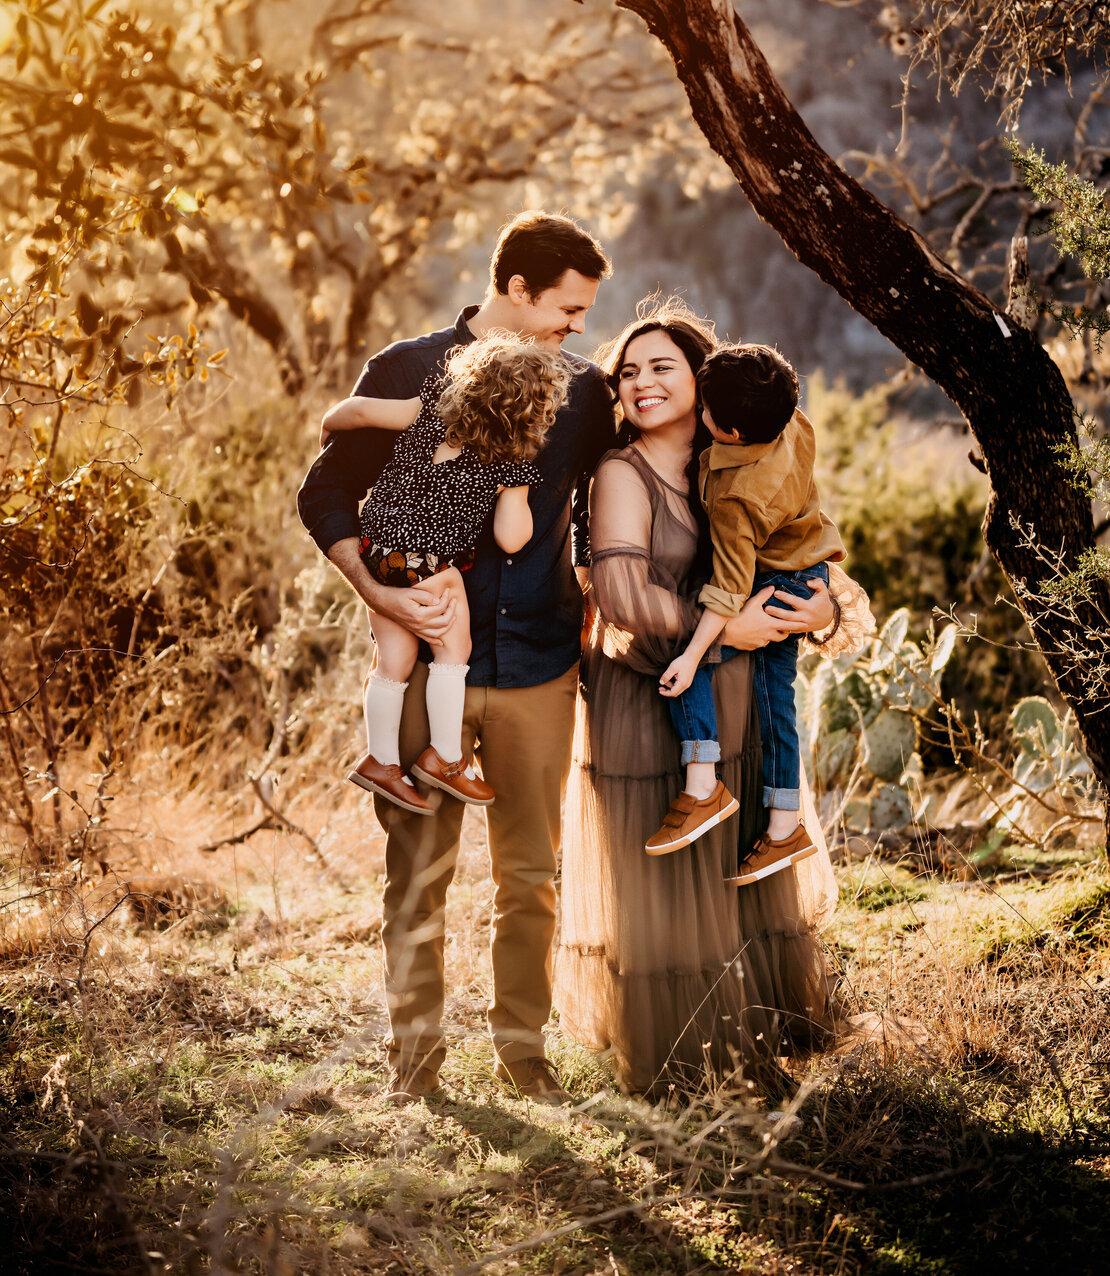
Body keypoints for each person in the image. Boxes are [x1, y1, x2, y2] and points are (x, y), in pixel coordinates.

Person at [298, 212, 615, 1104]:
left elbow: (612, 496)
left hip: (540, 666)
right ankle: (416, 1064)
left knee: (530, 878)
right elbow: (323, 492)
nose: (577, 328)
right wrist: (379, 591)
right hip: (428, 657)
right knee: (418, 876)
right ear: (517, 289)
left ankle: (524, 1056)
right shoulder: (405, 370)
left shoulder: (583, 395)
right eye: (568, 308)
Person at [556, 303, 840, 1097]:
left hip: (739, 699)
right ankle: (689, 1065)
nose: (640, 383)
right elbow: (621, 594)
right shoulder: (621, 472)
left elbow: (811, 550)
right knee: (673, 883)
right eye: (628, 371)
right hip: (650, 697)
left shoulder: (750, 454)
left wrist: (824, 611)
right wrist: (722, 631)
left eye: (661, 367)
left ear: (703, 378)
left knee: (735, 870)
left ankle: (764, 1032)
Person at [318, 335, 573, 817]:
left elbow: (357, 411)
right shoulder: (510, 457)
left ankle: (382, 761)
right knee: (453, 653)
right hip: (430, 564)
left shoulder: (430, 405)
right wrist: (515, 491)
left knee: (391, 663)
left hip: (376, 549)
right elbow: (512, 539)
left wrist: (329, 424)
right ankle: (446, 758)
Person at [655, 343, 873, 884]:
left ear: (730, 433)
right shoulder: (789, 416)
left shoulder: (737, 499)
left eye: (706, 408)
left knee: (695, 658)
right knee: (780, 703)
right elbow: (758, 384)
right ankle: (782, 825)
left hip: (776, 580)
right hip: (809, 570)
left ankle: (703, 785)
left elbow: (728, 590)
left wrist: (696, 650)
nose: (699, 411)